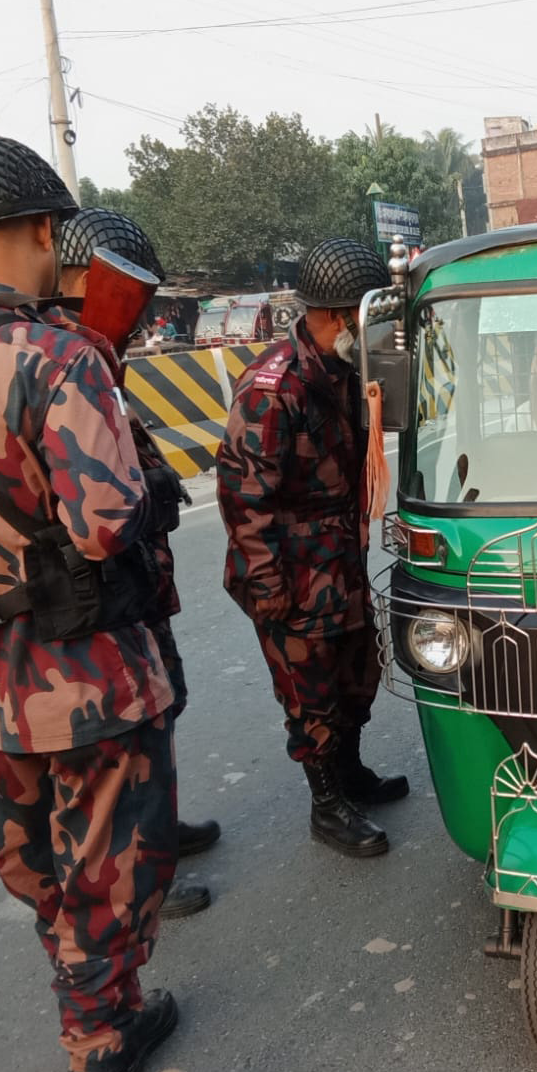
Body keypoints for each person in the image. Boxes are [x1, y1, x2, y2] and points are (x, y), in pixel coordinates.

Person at [0, 136, 229, 1072]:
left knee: (48, 881)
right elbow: (106, 521)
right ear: (41, 229)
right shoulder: (60, 355)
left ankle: (111, 1022)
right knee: (106, 891)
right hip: (94, 686)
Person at [54, 206, 221, 921]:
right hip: (99, 601)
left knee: (160, 716)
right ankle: (139, 880)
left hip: (136, 590)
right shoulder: (60, 359)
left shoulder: (97, 359)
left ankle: (159, 835)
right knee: (118, 749)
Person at [216, 236, 407, 857]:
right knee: (312, 694)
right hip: (291, 573)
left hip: (338, 560)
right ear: (334, 316)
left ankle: (350, 775)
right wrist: (269, 591)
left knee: (357, 677)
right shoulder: (276, 388)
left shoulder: (347, 372)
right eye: (366, 316)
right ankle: (327, 805)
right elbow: (245, 500)